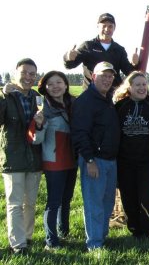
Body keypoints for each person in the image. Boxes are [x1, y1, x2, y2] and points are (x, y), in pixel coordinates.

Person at [113, 71, 149, 240]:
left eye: (144, 84)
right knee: (128, 197)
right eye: (137, 85)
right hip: (124, 160)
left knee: (145, 197)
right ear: (129, 88)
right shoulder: (120, 106)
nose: (142, 87)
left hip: (148, 160)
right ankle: (135, 231)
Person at [71, 61, 120, 251]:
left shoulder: (107, 99)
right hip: (94, 160)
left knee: (107, 203)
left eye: (110, 76)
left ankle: (102, 236)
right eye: (103, 75)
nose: (107, 79)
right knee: (94, 203)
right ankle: (94, 244)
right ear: (93, 77)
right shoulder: (85, 101)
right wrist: (89, 160)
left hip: (110, 159)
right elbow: (80, 133)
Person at [30, 71, 77, 250]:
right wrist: (40, 124)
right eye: (51, 84)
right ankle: (51, 241)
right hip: (54, 161)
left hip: (72, 159)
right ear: (45, 88)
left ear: (66, 85)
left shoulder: (74, 104)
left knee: (67, 199)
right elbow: (36, 139)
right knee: (54, 201)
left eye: (59, 82)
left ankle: (64, 231)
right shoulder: (43, 110)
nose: (55, 86)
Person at [0, 58, 42, 254]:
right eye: (24, 73)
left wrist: (41, 122)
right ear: (15, 73)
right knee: (15, 203)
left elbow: (41, 129)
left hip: (34, 157)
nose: (28, 77)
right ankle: (18, 245)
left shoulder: (37, 98)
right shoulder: (6, 96)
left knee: (31, 202)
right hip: (13, 157)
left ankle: (27, 237)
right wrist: (1, 95)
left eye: (32, 74)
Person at [64, 13, 138, 90]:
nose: (107, 29)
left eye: (110, 26)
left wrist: (134, 64)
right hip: (91, 94)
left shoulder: (119, 49)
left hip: (113, 95)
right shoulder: (87, 46)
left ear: (114, 28)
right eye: (104, 26)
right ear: (98, 26)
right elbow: (69, 65)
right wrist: (68, 58)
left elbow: (129, 72)